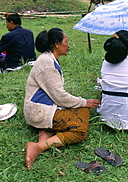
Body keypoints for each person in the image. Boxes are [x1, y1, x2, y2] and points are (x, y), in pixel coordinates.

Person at [23, 28, 100, 169]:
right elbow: (60, 97)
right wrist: (84, 101)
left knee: (84, 111)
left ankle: (46, 131)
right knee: (80, 130)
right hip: (39, 111)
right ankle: (38, 146)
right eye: (66, 42)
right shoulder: (47, 64)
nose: (68, 45)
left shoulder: (48, 59)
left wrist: (83, 104)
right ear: (57, 44)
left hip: (46, 107)